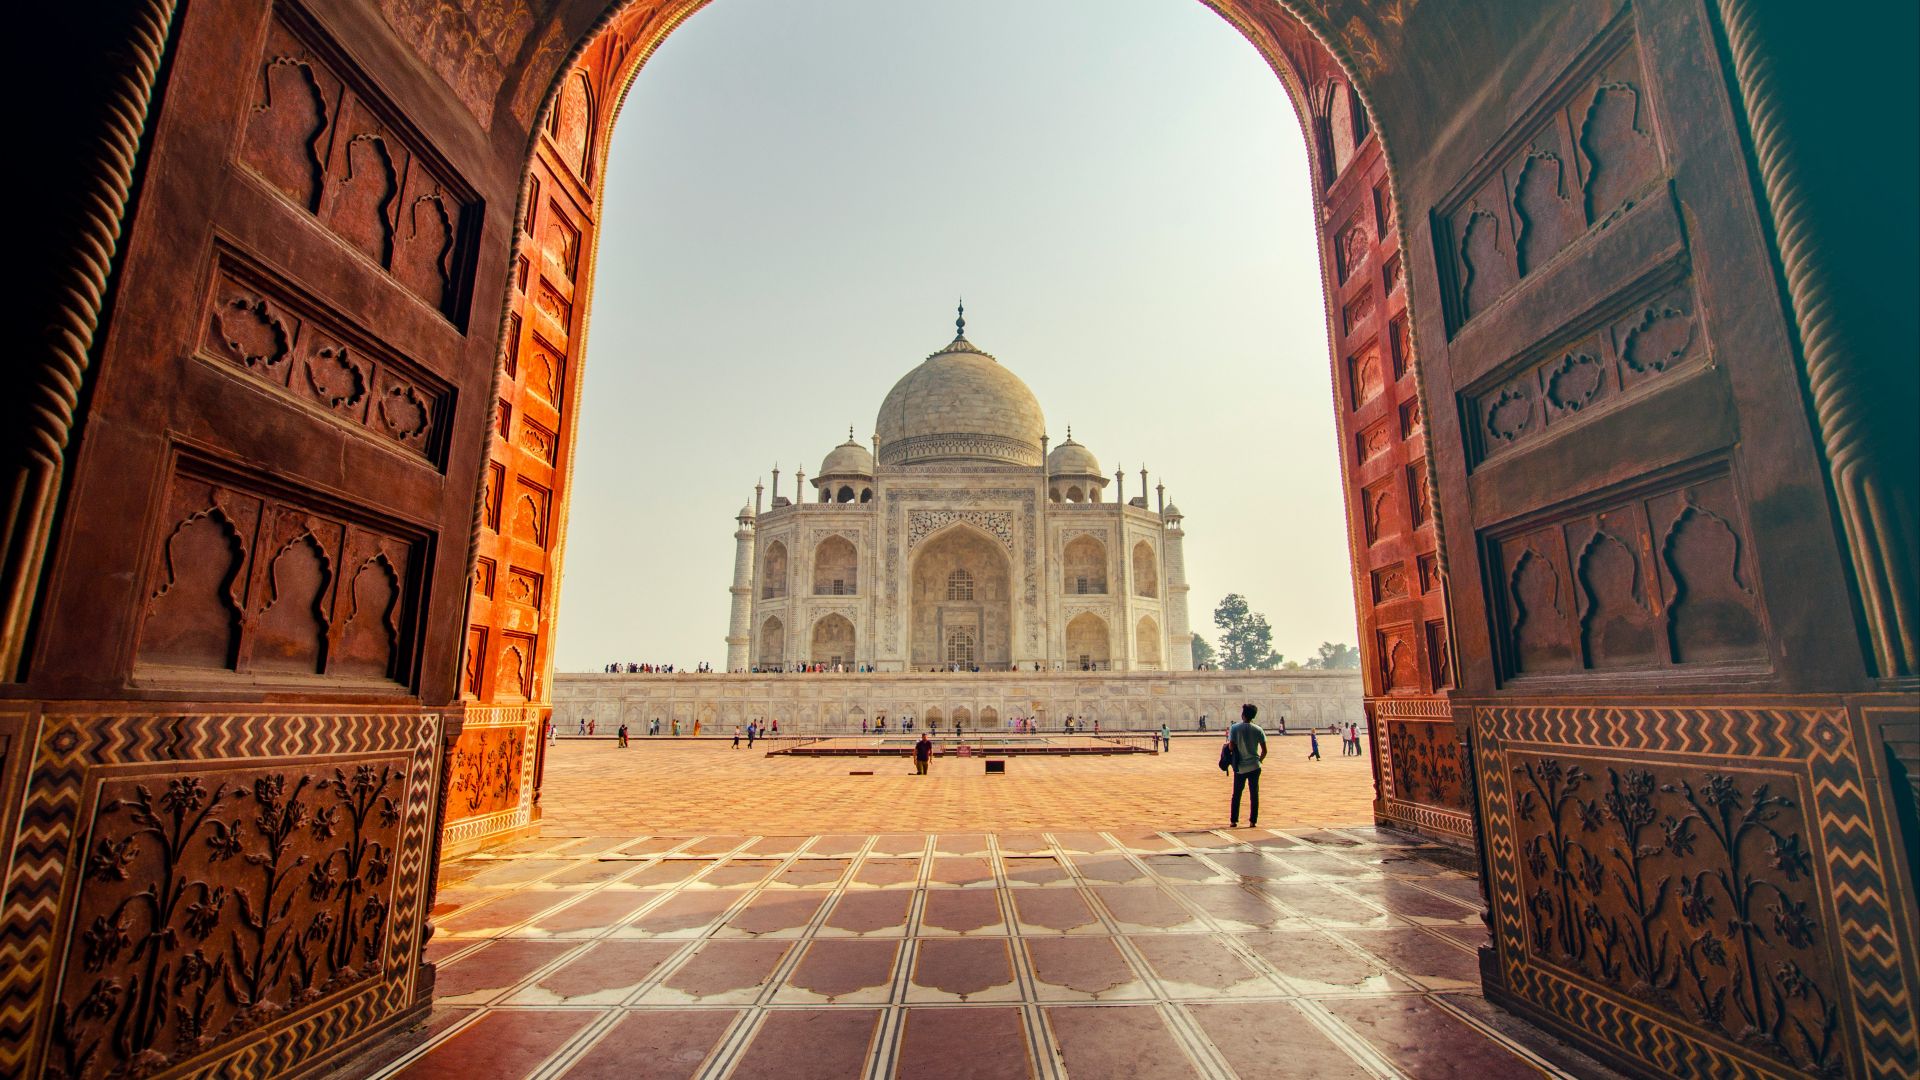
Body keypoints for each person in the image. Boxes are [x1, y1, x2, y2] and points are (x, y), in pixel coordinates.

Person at [1227, 703, 1268, 828]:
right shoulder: (1258, 729)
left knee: (1237, 794)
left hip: (1240, 767)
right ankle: (1252, 821)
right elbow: (1264, 751)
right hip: (1255, 766)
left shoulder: (1235, 728)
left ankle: (1233, 820)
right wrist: (1259, 761)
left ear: (1243, 715)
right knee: (1254, 794)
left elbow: (1231, 747)